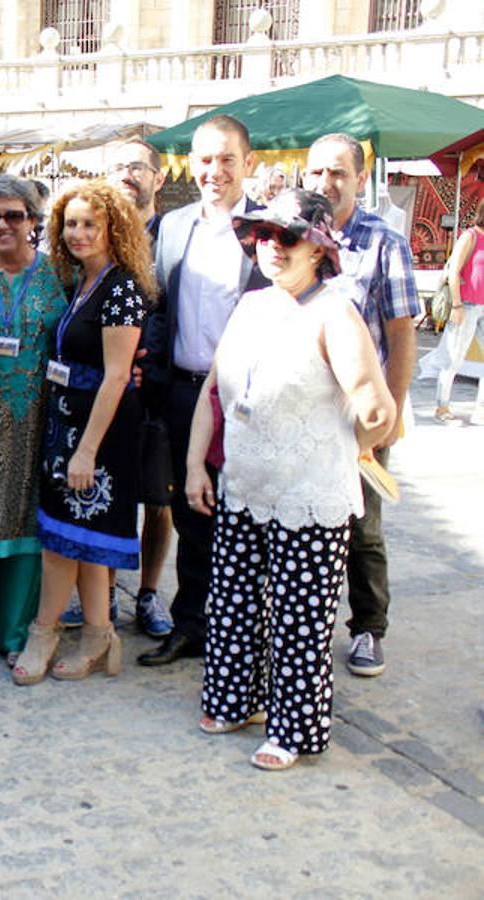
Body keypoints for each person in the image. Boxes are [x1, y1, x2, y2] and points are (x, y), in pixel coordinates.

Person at [186, 189, 395, 770]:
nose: (273, 247)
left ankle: (295, 729)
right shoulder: (252, 305)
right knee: (231, 600)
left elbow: (377, 410)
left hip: (309, 493)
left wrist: (351, 446)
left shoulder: (335, 310)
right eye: (264, 235)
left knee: (300, 618)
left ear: (318, 248)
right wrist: (195, 462)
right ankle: (235, 700)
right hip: (245, 484)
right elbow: (214, 392)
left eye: (289, 236)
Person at [11, 181, 155, 686]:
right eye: (70, 223)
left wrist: (87, 450)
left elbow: (117, 376)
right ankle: (99, 634)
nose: (78, 233)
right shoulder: (80, 282)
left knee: (61, 546)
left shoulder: (122, 289)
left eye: (90, 223)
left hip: (99, 432)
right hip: (67, 422)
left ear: (114, 227)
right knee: (81, 542)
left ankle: (44, 633)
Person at [138, 115, 268, 668]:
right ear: (190, 164)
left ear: (249, 163)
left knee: (246, 521)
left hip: (246, 401)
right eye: (205, 160)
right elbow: (159, 303)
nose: (214, 171)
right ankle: (191, 624)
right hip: (185, 395)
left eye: (227, 160)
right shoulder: (173, 227)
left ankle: (240, 636)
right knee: (192, 516)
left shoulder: (269, 229)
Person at [303, 132, 421, 678]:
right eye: (317, 172)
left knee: (363, 526)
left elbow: (400, 336)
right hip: (302, 405)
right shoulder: (294, 235)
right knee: (305, 521)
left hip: (358, 411)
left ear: (359, 176)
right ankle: (305, 626)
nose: (325, 184)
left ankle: (369, 628)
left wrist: (390, 414)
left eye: (337, 174)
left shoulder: (383, 242)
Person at [74, 137, 173, 639]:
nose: (127, 174)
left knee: (158, 498)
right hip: (111, 386)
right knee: (107, 493)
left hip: (159, 385)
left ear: (158, 177)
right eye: (116, 167)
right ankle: (103, 594)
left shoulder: (176, 233)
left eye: (137, 166)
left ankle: (150, 594)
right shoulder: (91, 241)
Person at [0, 176, 66, 665]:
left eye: (14, 215)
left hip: (42, 415)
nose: (4, 225)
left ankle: (20, 627)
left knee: (31, 512)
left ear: (33, 221)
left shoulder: (59, 276)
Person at [433, 206, 484, 422]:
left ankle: (480, 409)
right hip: (467, 305)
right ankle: (441, 408)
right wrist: (456, 305)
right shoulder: (470, 236)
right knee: (453, 357)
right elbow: (454, 271)